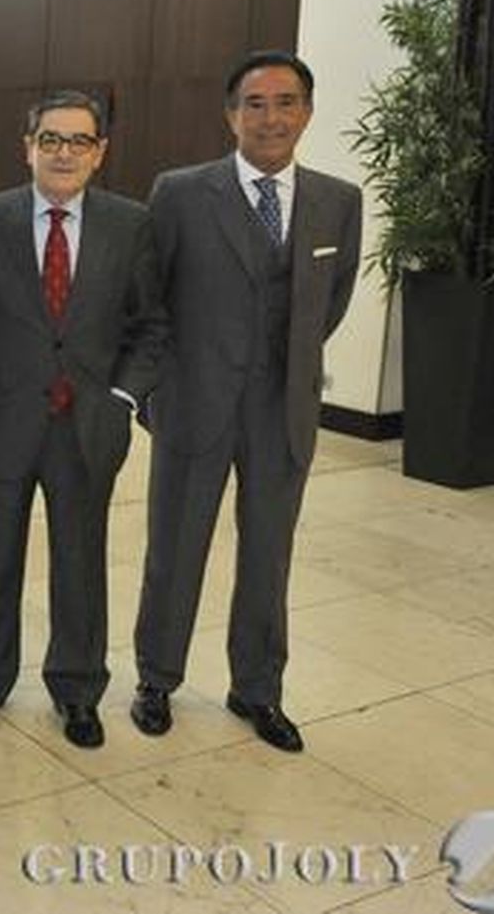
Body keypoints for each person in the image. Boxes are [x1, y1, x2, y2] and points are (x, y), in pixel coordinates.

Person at [130, 50, 361, 753]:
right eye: (254, 104)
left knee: (269, 553)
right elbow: (149, 296)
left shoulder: (338, 201)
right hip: (194, 403)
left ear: (308, 112)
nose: (271, 117)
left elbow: (333, 298)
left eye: (286, 102)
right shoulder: (179, 192)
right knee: (175, 546)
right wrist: (162, 388)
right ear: (230, 115)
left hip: (281, 409)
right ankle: (156, 679)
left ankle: (257, 688)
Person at [0, 91, 166, 748]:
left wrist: (124, 399)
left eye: (79, 140)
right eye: (51, 139)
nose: (63, 152)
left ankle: (77, 689)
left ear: (100, 152)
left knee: (80, 560)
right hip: (0, 425)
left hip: (89, 426)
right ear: (27, 146)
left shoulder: (131, 224)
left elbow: (151, 326)